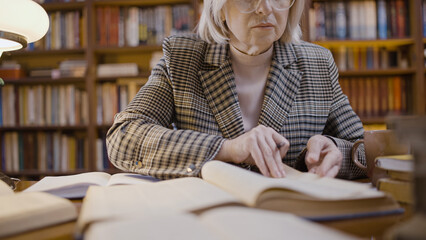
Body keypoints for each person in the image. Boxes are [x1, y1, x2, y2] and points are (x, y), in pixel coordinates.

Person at [106, 0, 366, 180]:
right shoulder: (182, 58)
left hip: (291, 220)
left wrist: (336, 150)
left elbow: (365, 148)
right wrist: (228, 149)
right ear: (220, 9)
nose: (265, 8)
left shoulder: (317, 64)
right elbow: (124, 138)